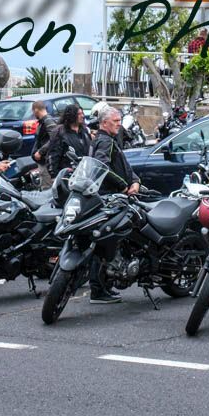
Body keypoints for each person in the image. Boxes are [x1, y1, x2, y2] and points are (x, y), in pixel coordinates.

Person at [87, 107, 141, 305]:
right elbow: (102, 167)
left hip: (113, 195)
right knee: (106, 244)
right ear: (104, 123)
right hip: (109, 198)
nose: (119, 123)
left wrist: (135, 181)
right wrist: (124, 185)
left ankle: (103, 286)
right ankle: (100, 288)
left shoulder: (108, 140)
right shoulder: (105, 141)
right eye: (115, 121)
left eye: (119, 120)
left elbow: (124, 166)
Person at [48, 102, 91, 177]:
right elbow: (53, 155)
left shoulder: (84, 131)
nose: (82, 116)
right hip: (68, 174)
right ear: (71, 115)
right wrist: (55, 175)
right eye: (79, 114)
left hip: (84, 174)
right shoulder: (60, 132)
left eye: (82, 113)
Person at [30, 99, 59, 181]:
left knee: (46, 188)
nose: (33, 113)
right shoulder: (45, 121)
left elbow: (54, 138)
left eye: (33, 111)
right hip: (44, 161)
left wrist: (40, 151)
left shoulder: (48, 121)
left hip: (46, 162)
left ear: (36, 110)